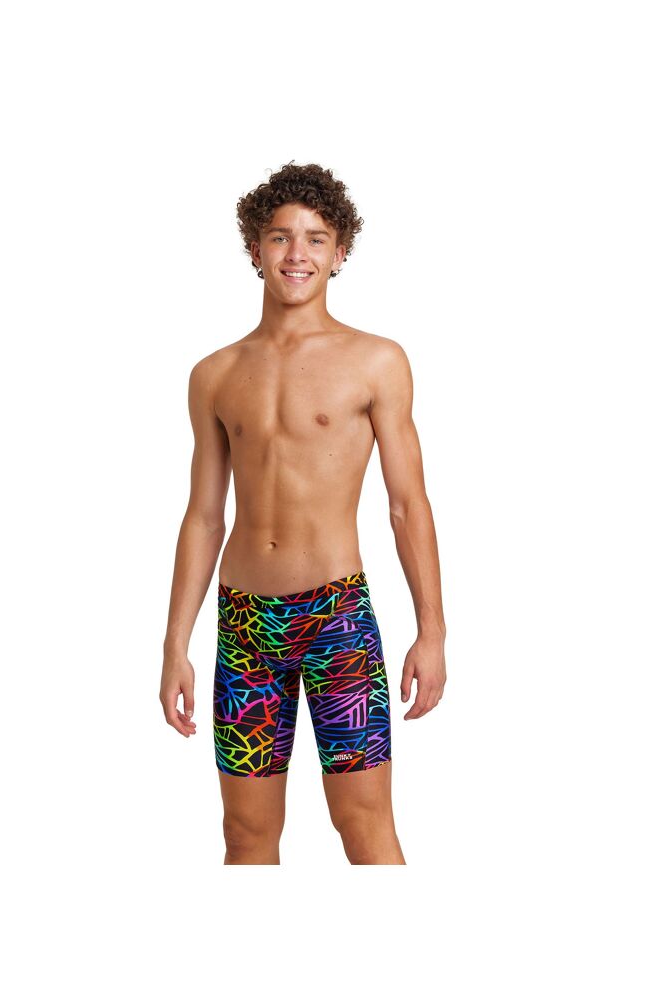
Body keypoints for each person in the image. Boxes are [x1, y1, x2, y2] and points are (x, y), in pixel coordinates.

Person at [159, 161, 447, 865]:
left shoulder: (376, 361)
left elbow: (407, 505)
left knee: (363, 825)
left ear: (340, 252)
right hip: (245, 625)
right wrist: (175, 644)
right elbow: (203, 517)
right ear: (254, 248)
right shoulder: (214, 374)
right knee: (246, 834)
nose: (297, 254)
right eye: (280, 237)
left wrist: (432, 631)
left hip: (336, 618)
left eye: (316, 239)